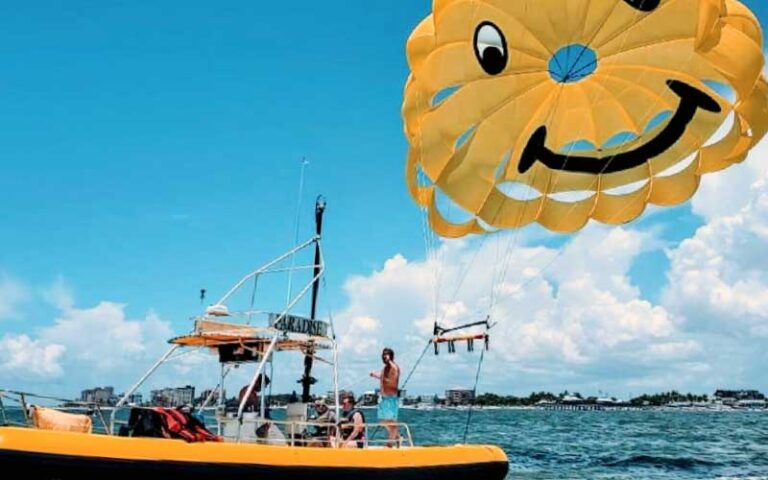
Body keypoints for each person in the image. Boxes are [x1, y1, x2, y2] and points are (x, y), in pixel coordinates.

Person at [370, 347, 400, 446]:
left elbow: (396, 372)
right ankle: (397, 436)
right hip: (383, 398)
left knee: (390, 421)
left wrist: (390, 361)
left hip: (390, 398)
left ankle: (390, 444)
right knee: (383, 420)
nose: (384, 356)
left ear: (391, 356)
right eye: (383, 354)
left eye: (386, 354)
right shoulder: (385, 368)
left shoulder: (394, 367)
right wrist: (375, 375)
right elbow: (384, 378)